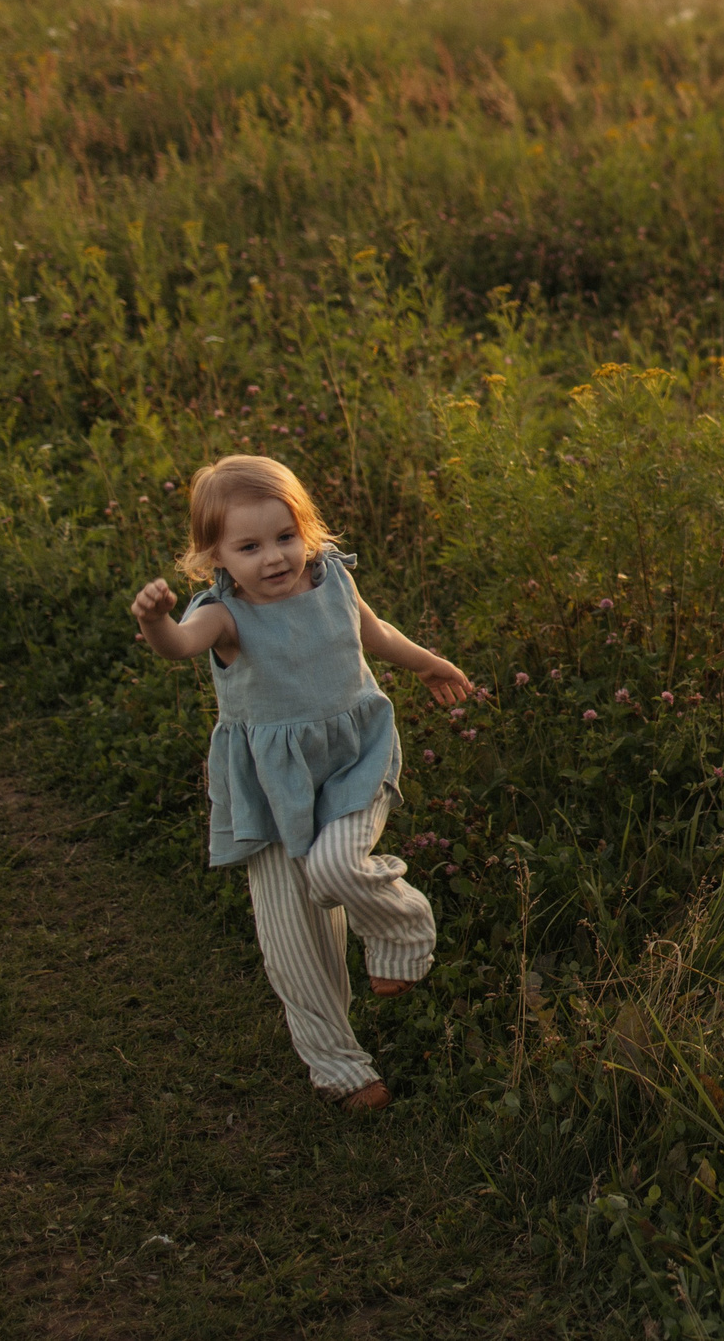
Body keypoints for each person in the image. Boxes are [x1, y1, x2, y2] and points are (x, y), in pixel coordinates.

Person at [126, 455, 471, 1110]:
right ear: (214, 557)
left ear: (307, 530)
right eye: (249, 547)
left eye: (285, 537)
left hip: (352, 762)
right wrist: (153, 622)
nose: (274, 558)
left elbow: (373, 633)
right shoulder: (223, 617)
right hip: (269, 786)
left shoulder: (333, 579)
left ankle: (402, 932)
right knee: (294, 936)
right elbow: (178, 644)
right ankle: (341, 1069)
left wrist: (428, 663)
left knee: (339, 867)